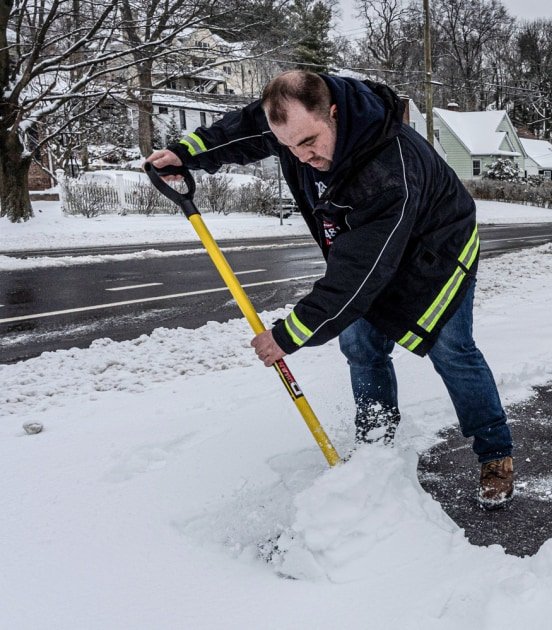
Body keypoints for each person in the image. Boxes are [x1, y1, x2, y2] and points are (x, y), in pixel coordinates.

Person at [145, 70, 514, 508]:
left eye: (309, 143)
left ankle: (495, 454)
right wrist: (188, 152)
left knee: (452, 350)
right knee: (360, 345)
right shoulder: (299, 121)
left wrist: (289, 335)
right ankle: (377, 445)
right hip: (369, 248)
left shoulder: (388, 167)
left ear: (334, 114)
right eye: (289, 147)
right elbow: (245, 128)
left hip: (436, 252)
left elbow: (356, 275)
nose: (302, 157)